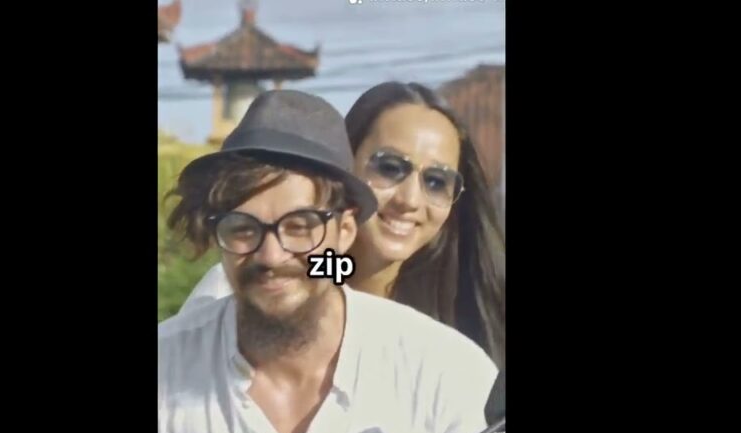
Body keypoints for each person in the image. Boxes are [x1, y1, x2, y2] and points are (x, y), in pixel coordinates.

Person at [158, 90, 505, 433]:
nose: (271, 254)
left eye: (300, 226)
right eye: (242, 228)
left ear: (345, 228)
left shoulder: (442, 365)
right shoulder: (178, 356)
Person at [178, 81, 506, 371]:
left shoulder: (465, 308)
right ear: (343, 171)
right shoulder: (254, 280)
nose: (410, 200)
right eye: (390, 167)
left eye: (436, 182)